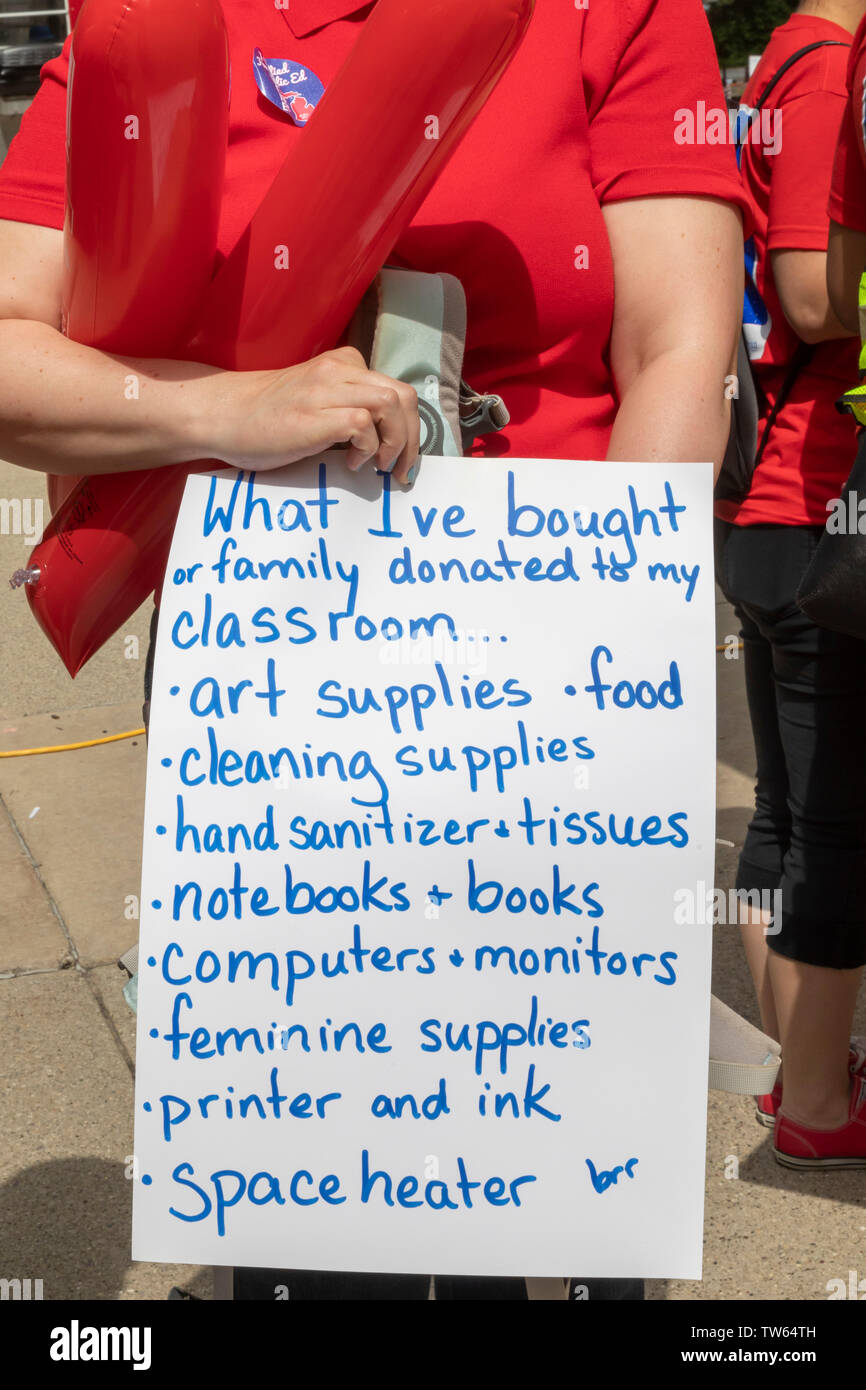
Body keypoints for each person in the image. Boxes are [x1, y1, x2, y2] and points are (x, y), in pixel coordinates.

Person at [0, 0, 746, 1295]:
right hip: (290, 722)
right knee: (319, 1235)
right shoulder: (156, 28)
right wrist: (228, 408)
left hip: (555, 695)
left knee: (557, 1201)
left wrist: (613, 650)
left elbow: (676, 343)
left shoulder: (615, 13)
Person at [714, 0, 866, 1170]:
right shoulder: (828, 70)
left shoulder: (789, 53)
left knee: (786, 812)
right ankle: (816, 1103)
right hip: (814, 502)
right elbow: (813, 294)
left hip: (773, 509)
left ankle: (798, 1079)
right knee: (826, 827)